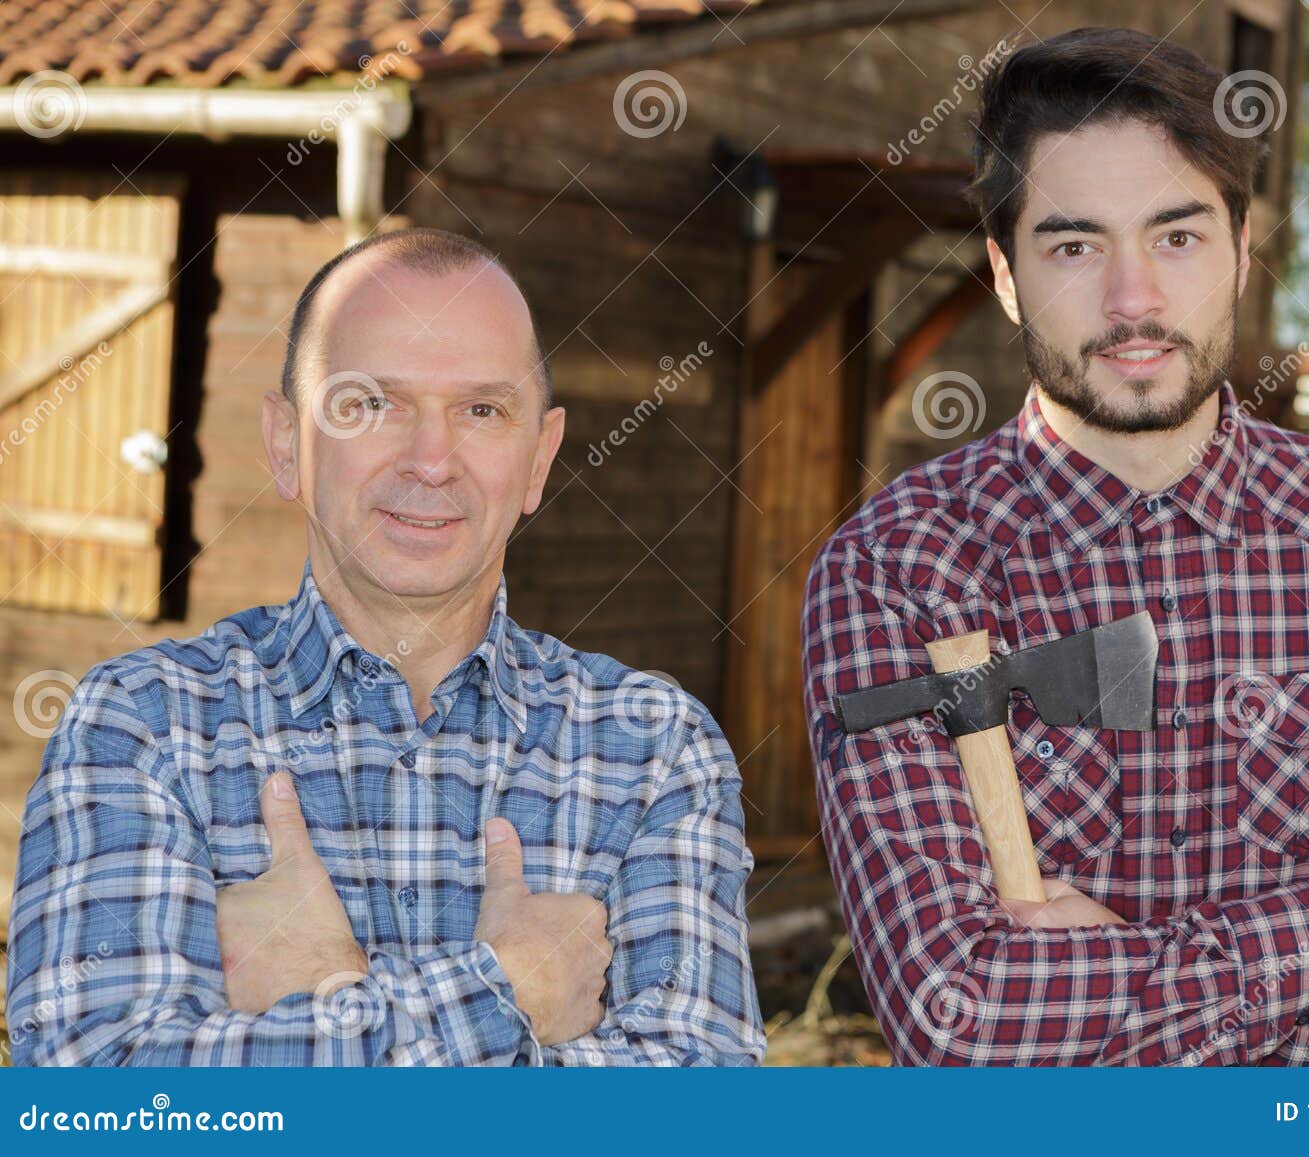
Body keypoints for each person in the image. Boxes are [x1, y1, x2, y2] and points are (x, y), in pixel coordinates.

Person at [801, 27, 1309, 1065]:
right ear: (1003, 273)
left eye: (1175, 237)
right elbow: (967, 1025)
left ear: (1242, 244)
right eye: (1074, 245)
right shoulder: (897, 570)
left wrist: (1129, 1028)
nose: (1132, 300)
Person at [7, 227, 765, 1066]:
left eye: (482, 409)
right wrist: (505, 994)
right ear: (287, 443)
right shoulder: (142, 726)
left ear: (539, 458)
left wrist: (329, 1002)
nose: (431, 460)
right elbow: (98, 1104)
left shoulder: (655, 746)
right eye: (371, 403)